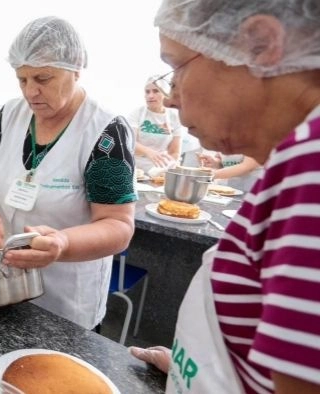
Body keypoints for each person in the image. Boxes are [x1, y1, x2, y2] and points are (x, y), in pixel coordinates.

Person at [129, 1, 320, 393]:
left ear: (260, 44)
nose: (169, 98)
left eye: (177, 67)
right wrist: (200, 369)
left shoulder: (311, 163)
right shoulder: (291, 163)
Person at [0, 16, 136, 330]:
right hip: (4, 289)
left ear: (76, 69)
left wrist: (63, 243)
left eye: (43, 78)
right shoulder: (9, 116)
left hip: (65, 302)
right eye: (22, 79)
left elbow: (119, 225)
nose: (31, 92)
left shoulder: (105, 133)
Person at [127, 75, 186, 174]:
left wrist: (168, 166)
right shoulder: (137, 113)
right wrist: (149, 152)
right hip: (135, 168)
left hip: (158, 170)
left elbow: (174, 152)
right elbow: (129, 142)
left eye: (155, 91)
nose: (150, 95)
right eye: (147, 92)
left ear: (165, 93)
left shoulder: (174, 117)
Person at [197, 150, 263, 191]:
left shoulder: (257, 136)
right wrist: (214, 162)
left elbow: (247, 167)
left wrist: (209, 175)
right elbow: (221, 160)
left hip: (252, 189)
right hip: (231, 189)